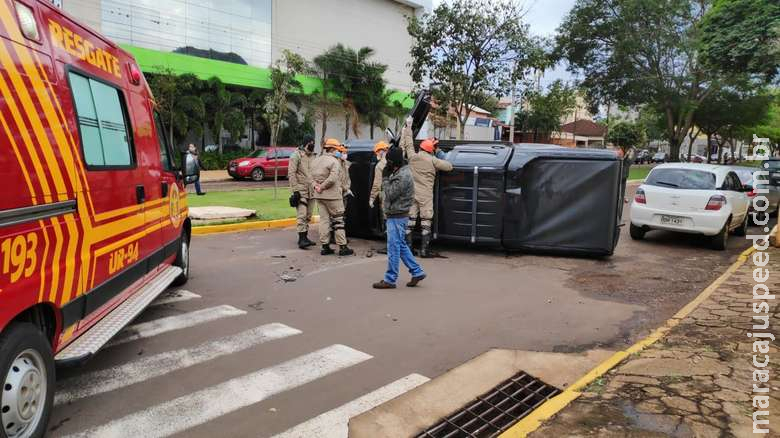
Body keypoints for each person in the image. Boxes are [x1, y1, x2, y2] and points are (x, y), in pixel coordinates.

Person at [373, 146, 426, 289]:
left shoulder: (402, 176)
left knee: (393, 248)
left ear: (394, 162)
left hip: (397, 216)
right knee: (401, 245)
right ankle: (417, 271)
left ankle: (390, 279)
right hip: (397, 214)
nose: (386, 164)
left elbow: (390, 193)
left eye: (388, 161)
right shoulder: (399, 171)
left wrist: (384, 178)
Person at [400, 118, 453, 257]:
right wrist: (440, 153)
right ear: (431, 150)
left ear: (421, 148)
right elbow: (449, 166)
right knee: (425, 222)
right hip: (425, 196)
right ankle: (424, 250)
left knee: (410, 222)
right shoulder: (433, 160)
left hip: (411, 194)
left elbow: (408, 144)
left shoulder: (412, 157)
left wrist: (408, 127)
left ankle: (409, 249)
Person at [311, 139, 354, 256]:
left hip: (319, 196)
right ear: (333, 149)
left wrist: (317, 187)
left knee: (324, 221)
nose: (339, 152)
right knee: (338, 221)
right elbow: (333, 178)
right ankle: (343, 247)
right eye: (338, 149)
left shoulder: (316, 161)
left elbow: (310, 178)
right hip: (333, 196)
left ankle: (325, 247)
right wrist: (323, 187)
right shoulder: (334, 162)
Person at [288, 135, 316, 249]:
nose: (312, 145)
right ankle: (301, 239)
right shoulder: (296, 156)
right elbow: (291, 174)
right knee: (302, 215)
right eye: (310, 143)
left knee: (308, 215)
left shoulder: (313, 156)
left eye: (313, 143)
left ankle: (306, 236)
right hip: (301, 190)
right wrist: (295, 190)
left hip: (312, 190)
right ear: (305, 144)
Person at [369, 141, 389, 210]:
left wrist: (372, 197)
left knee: (386, 218)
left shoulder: (379, 165)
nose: (376, 154)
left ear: (381, 151)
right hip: (399, 195)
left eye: (377, 151)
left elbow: (377, 184)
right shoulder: (396, 161)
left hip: (385, 194)